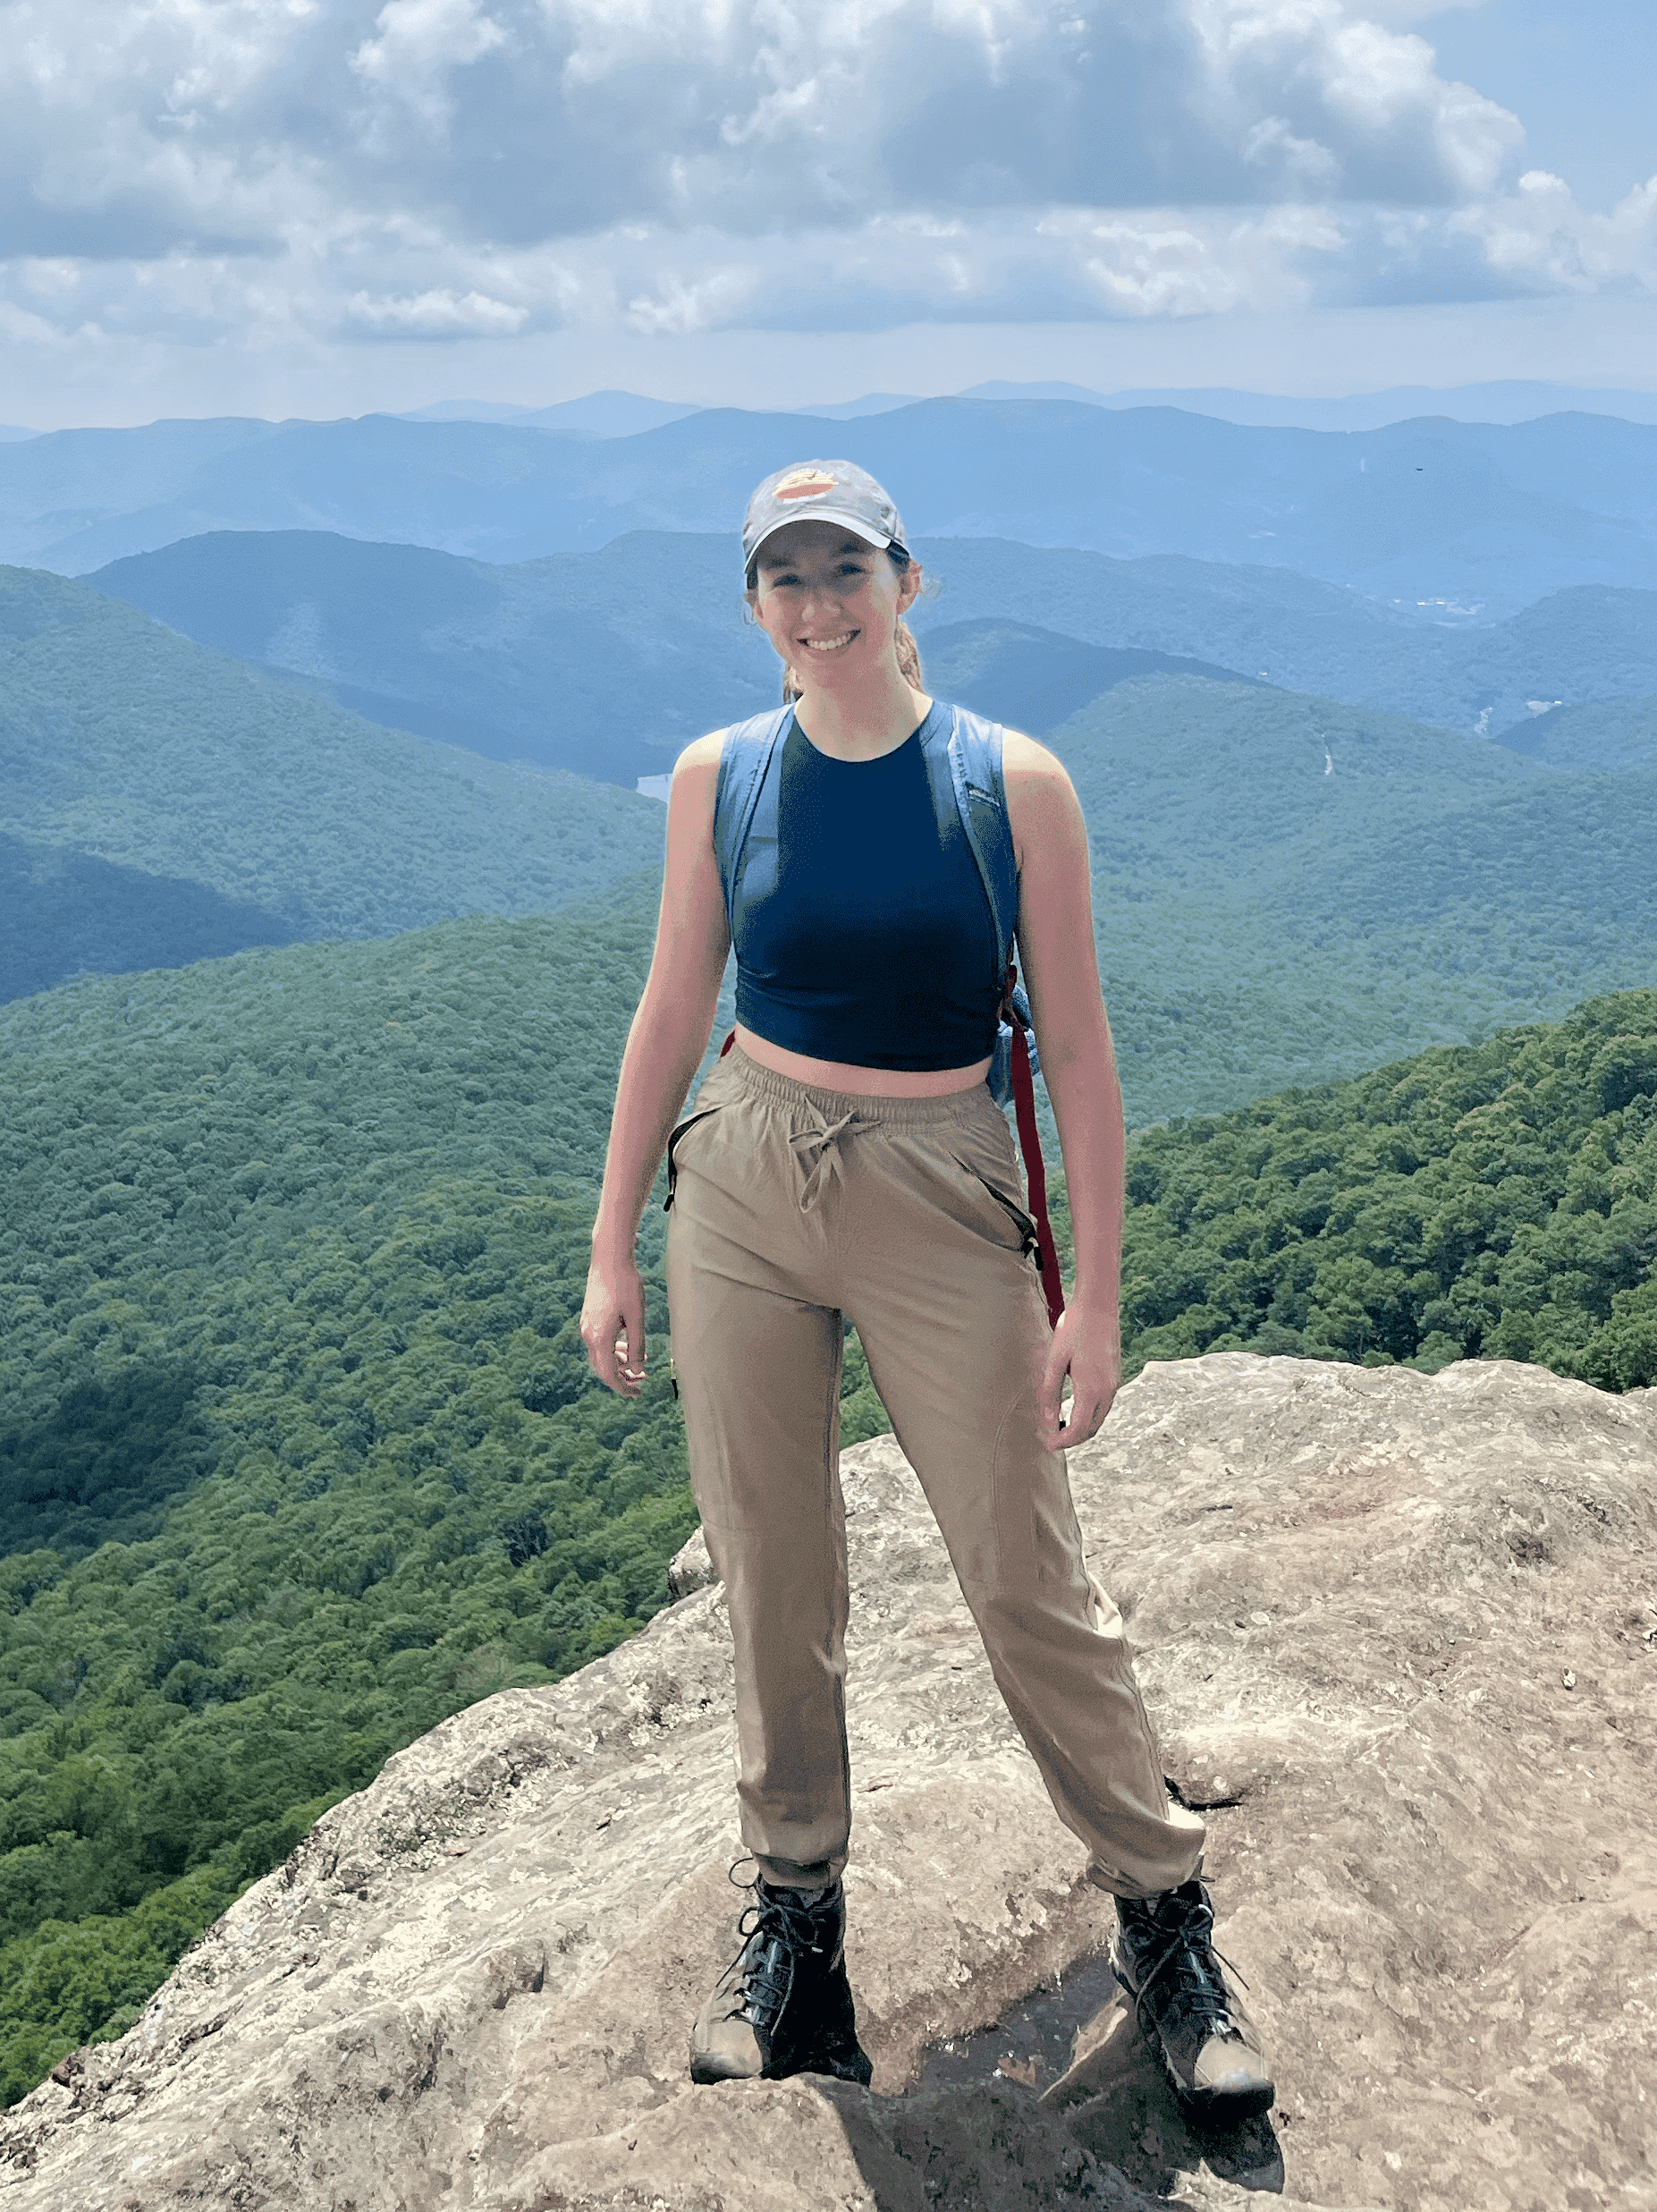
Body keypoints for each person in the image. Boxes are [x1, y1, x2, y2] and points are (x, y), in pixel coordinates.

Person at [577, 460, 1272, 2123]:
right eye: (787, 580)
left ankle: (1163, 1913)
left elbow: (1085, 1051)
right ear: (754, 604)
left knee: (1021, 1568)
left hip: (938, 1180)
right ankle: (799, 1932)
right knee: (771, 1563)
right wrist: (613, 1237)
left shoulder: (1008, 780)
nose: (820, 608)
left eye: (847, 570)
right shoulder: (719, 777)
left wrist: (1095, 1298)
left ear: (910, 580)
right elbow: (672, 1006)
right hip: (741, 1174)